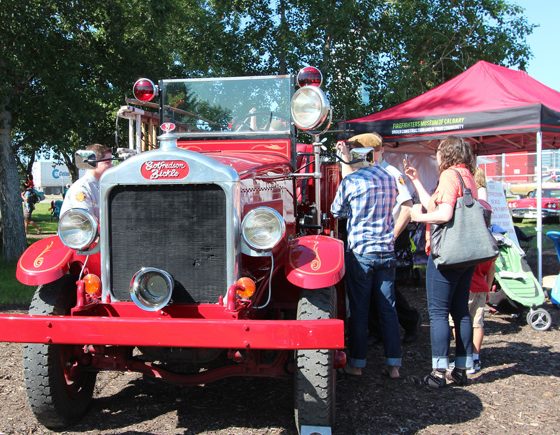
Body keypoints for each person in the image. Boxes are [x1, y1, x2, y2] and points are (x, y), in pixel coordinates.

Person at [404, 136, 477, 388]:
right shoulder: (466, 176)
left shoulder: (448, 175)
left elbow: (443, 214)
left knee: (437, 314)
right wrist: (415, 180)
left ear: (446, 153)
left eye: (437, 152)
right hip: (466, 255)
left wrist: (418, 216)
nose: (436, 156)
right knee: (461, 312)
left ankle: (437, 374)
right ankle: (461, 369)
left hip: (446, 254)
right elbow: (436, 202)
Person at [338, 133, 421, 343]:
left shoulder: (391, 173)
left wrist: (392, 236)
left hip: (389, 236)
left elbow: (407, 207)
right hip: (379, 238)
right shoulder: (370, 171)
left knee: (387, 293)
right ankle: (378, 333)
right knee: (379, 292)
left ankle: (410, 322)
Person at [331, 137, 402, 379]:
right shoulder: (389, 178)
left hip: (361, 252)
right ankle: (394, 364)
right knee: (388, 308)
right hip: (386, 249)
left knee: (359, 310)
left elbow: (336, 211)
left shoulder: (352, 181)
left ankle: (358, 363)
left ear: (357, 155)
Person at [60, 144, 113, 220]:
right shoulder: (82, 188)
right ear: (92, 162)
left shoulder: (99, 186)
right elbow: (85, 221)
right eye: (108, 162)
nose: (112, 166)